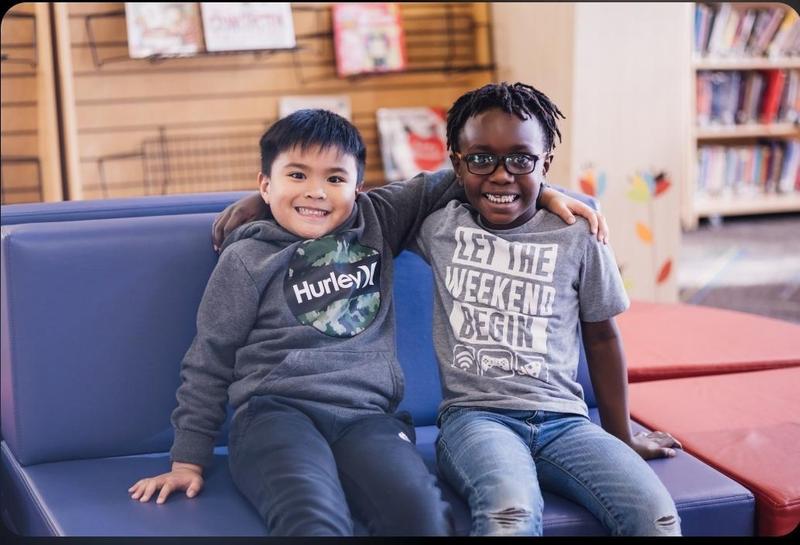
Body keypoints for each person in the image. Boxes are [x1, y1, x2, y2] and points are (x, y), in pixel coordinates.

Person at [127, 108, 606, 536]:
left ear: (359, 188)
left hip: (368, 419)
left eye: (335, 179)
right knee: (313, 518)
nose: (316, 191)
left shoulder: (377, 219)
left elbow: (472, 175)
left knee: (421, 517)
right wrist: (187, 459)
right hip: (273, 415)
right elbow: (209, 359)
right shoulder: (246, 258)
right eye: (296, 175)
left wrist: (546, 194)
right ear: (265, 184)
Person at [410, 82, 683, 536]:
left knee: (657, 517)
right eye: (481, 158)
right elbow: (358, 206)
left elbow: (602, 337)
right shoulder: (438, 226)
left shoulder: (577, 234)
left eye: (521, 159)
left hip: (565, 421)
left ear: (546, 164)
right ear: (457, 164)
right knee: (510, 515)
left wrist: (623, 436)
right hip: (477, 419)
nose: (501, 175)